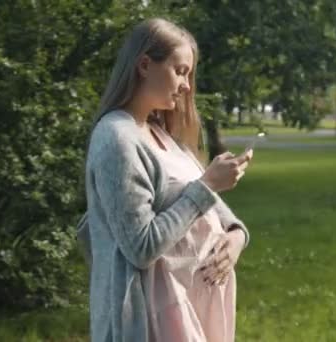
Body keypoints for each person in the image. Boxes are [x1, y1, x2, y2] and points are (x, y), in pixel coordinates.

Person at [76, 18, 252, 341]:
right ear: (145, 65)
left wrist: (238, 236)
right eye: (180, 71)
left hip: (193, 313)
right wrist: (209, 184)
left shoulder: (160, 133)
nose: (186, 85)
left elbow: (211, 208)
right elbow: (141, 247)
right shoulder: (117, 138)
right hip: (153, 325)